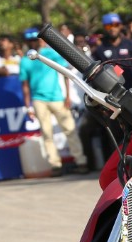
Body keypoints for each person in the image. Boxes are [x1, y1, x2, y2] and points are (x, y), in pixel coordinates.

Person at [19, 27, 88, 176]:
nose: (33, 43)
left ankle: (80, 161)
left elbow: (65, 73)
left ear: (40, 40)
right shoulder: (25, 60)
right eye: (30, 40)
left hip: (57, 97)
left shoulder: (50, 54)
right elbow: (25, 85)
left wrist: (67, 96)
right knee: (46, 133)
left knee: (70, 130)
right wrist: (27, 106)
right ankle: (55, 165)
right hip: (38, 100)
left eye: (35, 39)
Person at [93, 13, 132, 95]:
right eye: (108, 26)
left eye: (115, 25)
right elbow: (98, 72)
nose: (112, 28)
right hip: (111, 93)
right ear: (104, 28)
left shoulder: (130, 44)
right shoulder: (100, 49)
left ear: (120, 25)